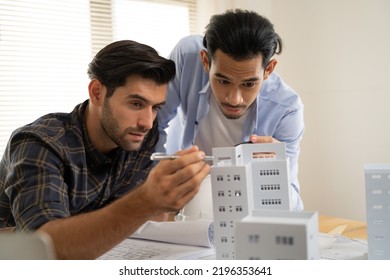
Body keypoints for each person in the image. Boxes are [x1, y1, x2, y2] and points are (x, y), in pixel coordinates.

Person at [0, 40, 211, 259]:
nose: (147, 122)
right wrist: (146, 199)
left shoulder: (138, 137)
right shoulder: (39, 144)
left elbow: (137, 221)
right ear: (97, 92)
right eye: (136, 104)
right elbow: (43, 250)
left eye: (155, 107)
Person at [156, 9, 304, 211]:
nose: (234, 99)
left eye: (249, 84)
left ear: (268, 70)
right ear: (206, 61)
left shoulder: (287, 109)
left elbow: (294, 207)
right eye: (223, 80)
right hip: (180, 201)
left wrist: (279, 171)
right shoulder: (186, 57)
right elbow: (153, 125)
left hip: (241, 211)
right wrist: (154, 187)